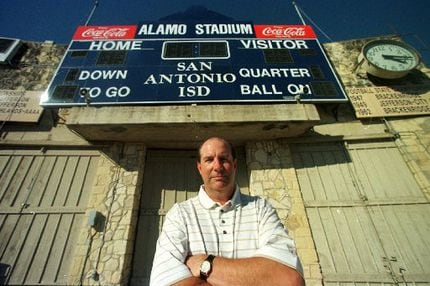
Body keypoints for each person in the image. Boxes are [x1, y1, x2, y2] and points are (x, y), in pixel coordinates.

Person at [150, 137, 304, 286]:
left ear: (235, 165)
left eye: (224, 159)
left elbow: (289, 280)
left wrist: (205, 263)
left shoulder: (261, 208)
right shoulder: (180, 214)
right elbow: (164, 280)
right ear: (200, 168)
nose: (217, 166)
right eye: (209, 159)